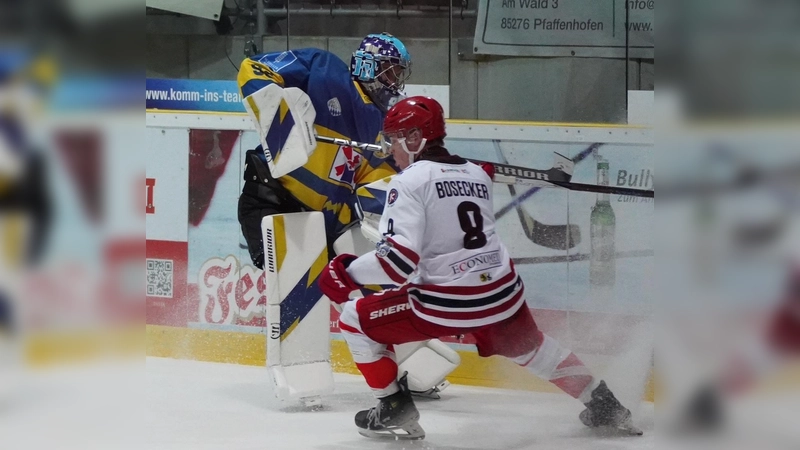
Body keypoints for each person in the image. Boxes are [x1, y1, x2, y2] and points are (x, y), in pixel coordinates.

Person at [318, 96, 641, 440]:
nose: (388, 151)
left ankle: (392, 406)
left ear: (415, 139)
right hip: (502, 294)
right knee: (535, 350)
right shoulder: (476, 174)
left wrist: (347, 271)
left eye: (393, 139)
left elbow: (397, 262)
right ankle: (605, 404)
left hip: (448, 302)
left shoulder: (409, 181)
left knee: (354, 319)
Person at [237, 33, 410, 269]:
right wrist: (280, 116)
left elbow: (377, 185)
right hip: (273, 198)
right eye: (389, 72)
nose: (393, 82)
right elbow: (254, 67)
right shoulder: (323, 68)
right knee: (284, 278)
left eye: (397, 75)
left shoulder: (383, 124)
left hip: (322, 223)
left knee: (332, 290)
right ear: (367, 65)